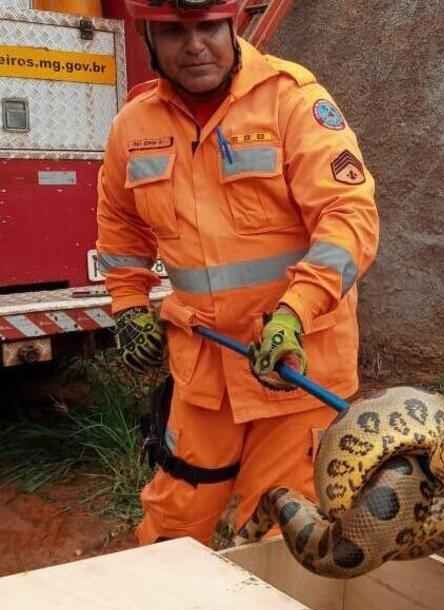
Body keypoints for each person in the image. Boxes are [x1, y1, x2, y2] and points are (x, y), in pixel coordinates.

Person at [96, 0, 379, 546]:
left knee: (286, 542)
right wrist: (129, 308)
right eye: (175, 32)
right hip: (204, 373)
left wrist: (295, 312)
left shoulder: (293, 102)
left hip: (295, 370)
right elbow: (120, 234)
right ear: (149, 39)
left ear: (232, 26)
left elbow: (349, 219)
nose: (195, 44)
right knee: (171, 528)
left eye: (207, 28)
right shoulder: (131, 127)